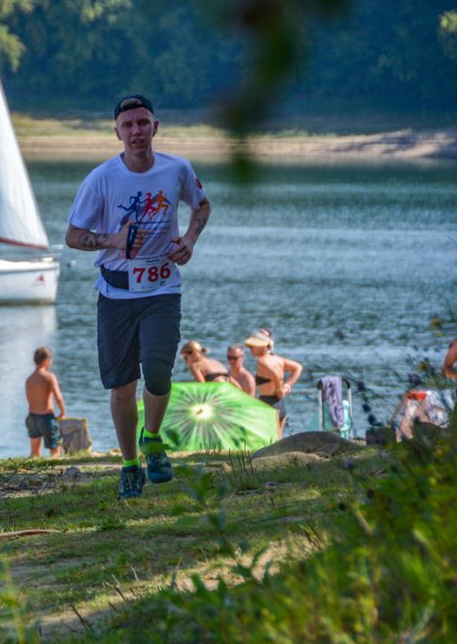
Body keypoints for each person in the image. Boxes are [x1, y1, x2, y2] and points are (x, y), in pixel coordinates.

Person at [64, 94, 211, 499]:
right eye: (128, 126)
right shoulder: (101, 180)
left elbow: (202, 206)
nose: (136, 132)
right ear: (117, 133)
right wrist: (112, 238)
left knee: (159, 371)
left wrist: (190, 240)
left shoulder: (177, 169)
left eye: (142, 123)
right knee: (122, 386)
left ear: (155, 127)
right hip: (116, 293)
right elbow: (73, 236)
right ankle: (129, 465)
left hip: (163, 287)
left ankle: (152, 437)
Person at [245, 328, 303, 437]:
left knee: (267, 442)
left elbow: (274, 374)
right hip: (280, 404)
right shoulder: (278, 359)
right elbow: (298, 367)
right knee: (278, 441)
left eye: (252, 347)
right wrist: (287, 385)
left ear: (262, 346)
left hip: (268, 403)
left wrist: (279, 389)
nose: (250, 350)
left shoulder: (261, 361)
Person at [25, 347, 67, 456]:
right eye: (51, 359)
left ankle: (34, 471)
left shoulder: (29, 379)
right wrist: (62, 412)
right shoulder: (49, 377)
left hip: (32, 417)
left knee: (34, 452)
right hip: (46, 418)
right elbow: (58, 397)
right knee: (55, 450)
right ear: (46, 360)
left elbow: (30, 399)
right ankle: (54, 471)